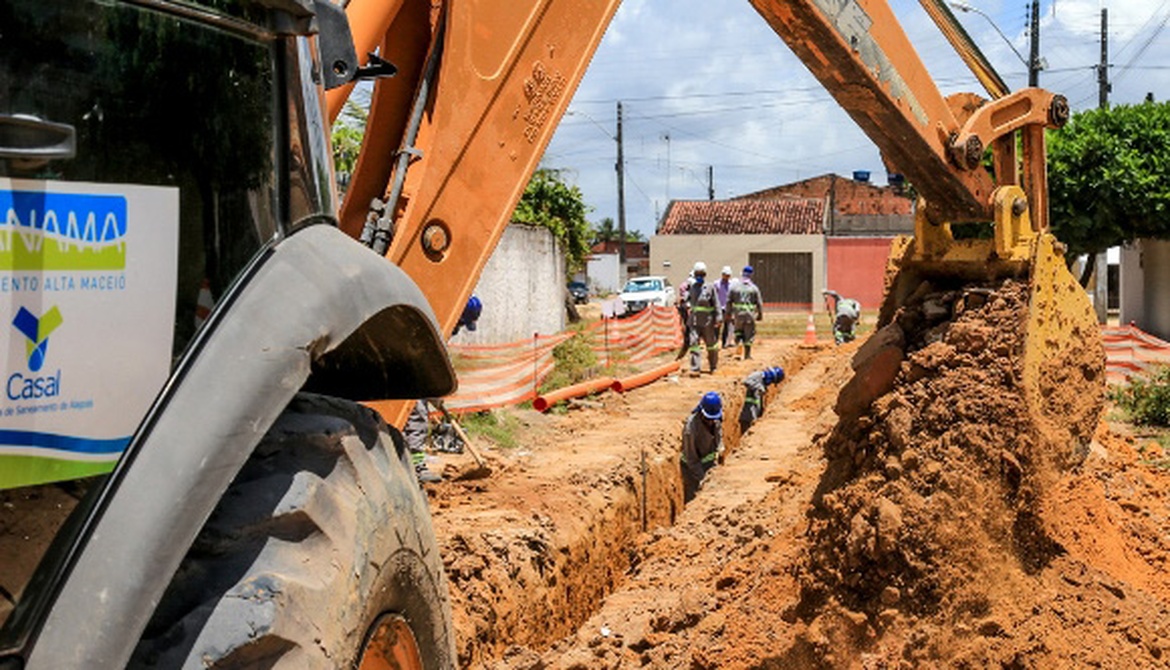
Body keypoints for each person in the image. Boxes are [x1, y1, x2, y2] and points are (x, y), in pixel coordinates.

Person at [407, 294, 483, 483]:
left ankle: (408, 464)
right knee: (416, 415)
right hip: (408, 374)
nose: (457, 329)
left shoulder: (434, 318)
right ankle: (415, 468)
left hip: (412, 373)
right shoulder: (431, 323)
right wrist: (431, 387)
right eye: (461, 323)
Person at [681, 391, 724, 503]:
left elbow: (718, 432)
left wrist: (720, 448)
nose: (711, 422)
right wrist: (703, 479)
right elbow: (691, 459)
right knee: (695, 499)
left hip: (708, 463)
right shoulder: (690, 429)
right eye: (708, 418)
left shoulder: (715, 417)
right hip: (691, 469)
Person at [685, 261, 722, 376]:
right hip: (695, 321)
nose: (699, 276)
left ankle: (713, 366)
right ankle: (695, 368)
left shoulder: (710, 287)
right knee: (694, 343)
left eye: (702, 274)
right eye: (697, 274)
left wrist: (718, 318)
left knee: (711, 345)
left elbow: (716, 303)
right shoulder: (693, 288)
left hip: (708, 322)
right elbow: (688, 300)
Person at [728, 265, 764, 359]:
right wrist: (760, 314)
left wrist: (728, 314)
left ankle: (739, 342)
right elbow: (759, 303)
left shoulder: (734, 287)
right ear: (751, 275)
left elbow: (728, 301)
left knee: (738, 331)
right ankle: (747, 355)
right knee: (749, 333)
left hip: (738, 314)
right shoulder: (754, 288)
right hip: (749, 315)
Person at [738, 366, 785, 435]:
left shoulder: (763, 383)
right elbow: (745, 381)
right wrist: (759, 387)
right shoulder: (757, 376)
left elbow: (758, 401)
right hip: (747, 416)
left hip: (754, 416)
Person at [715, 266, 736, 349]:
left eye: (728, 275)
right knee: (717, 326)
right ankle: (715, 343)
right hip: (719, 308)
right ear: (722, 274)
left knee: (727, 327)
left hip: (727, 308)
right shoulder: (716, 284)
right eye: (725, 275)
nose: (727, 277)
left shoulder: (731, 285)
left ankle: (724, 343)